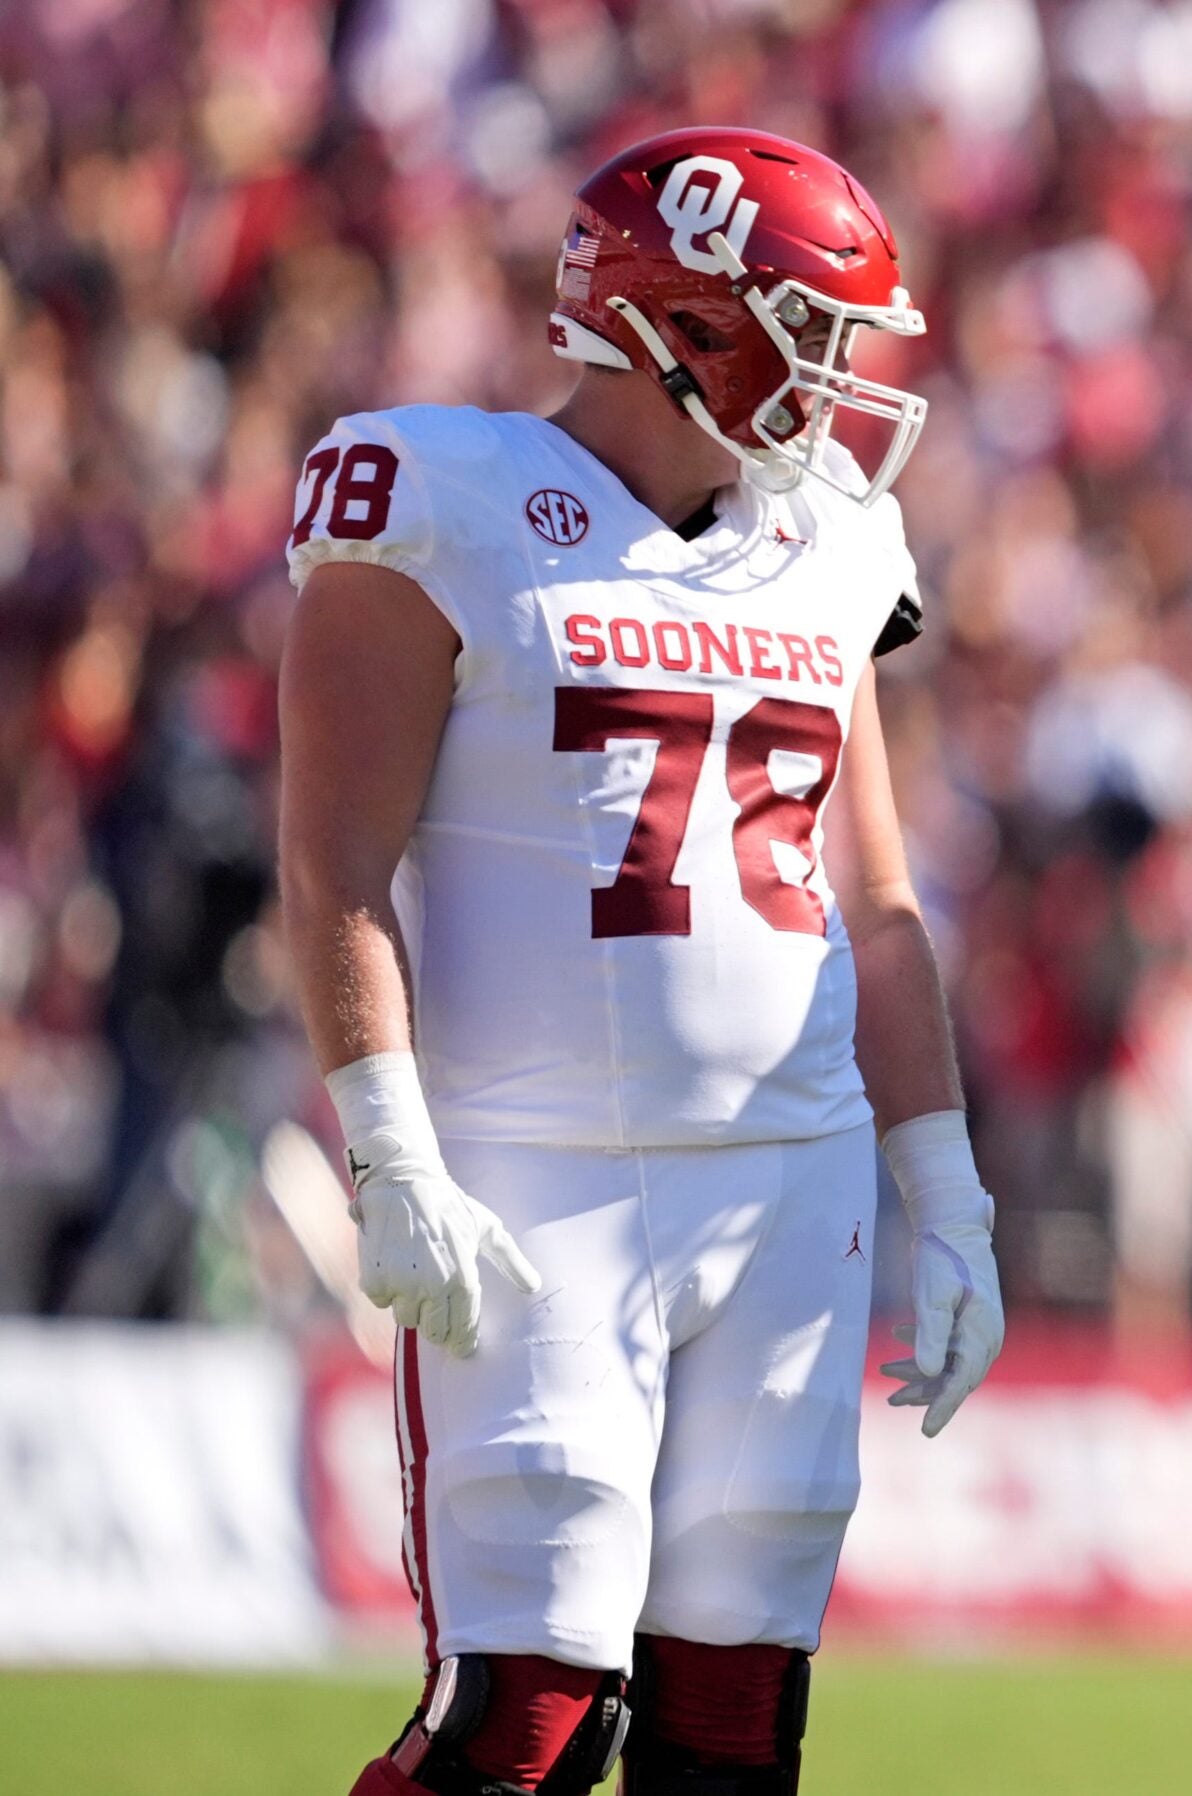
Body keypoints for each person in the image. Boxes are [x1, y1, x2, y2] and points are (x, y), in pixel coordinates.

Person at [276, 128, 1004, 1796]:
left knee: (736, 1718)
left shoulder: (829, 540)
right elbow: (331, 866)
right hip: (544, 1177)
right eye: (814, 332)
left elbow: (874, 901)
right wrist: (389, 1151)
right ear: (696, 322)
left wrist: (945, 1188)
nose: (843, 383)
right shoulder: (441, 497)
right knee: (525, 1715)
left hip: (792, 1181)